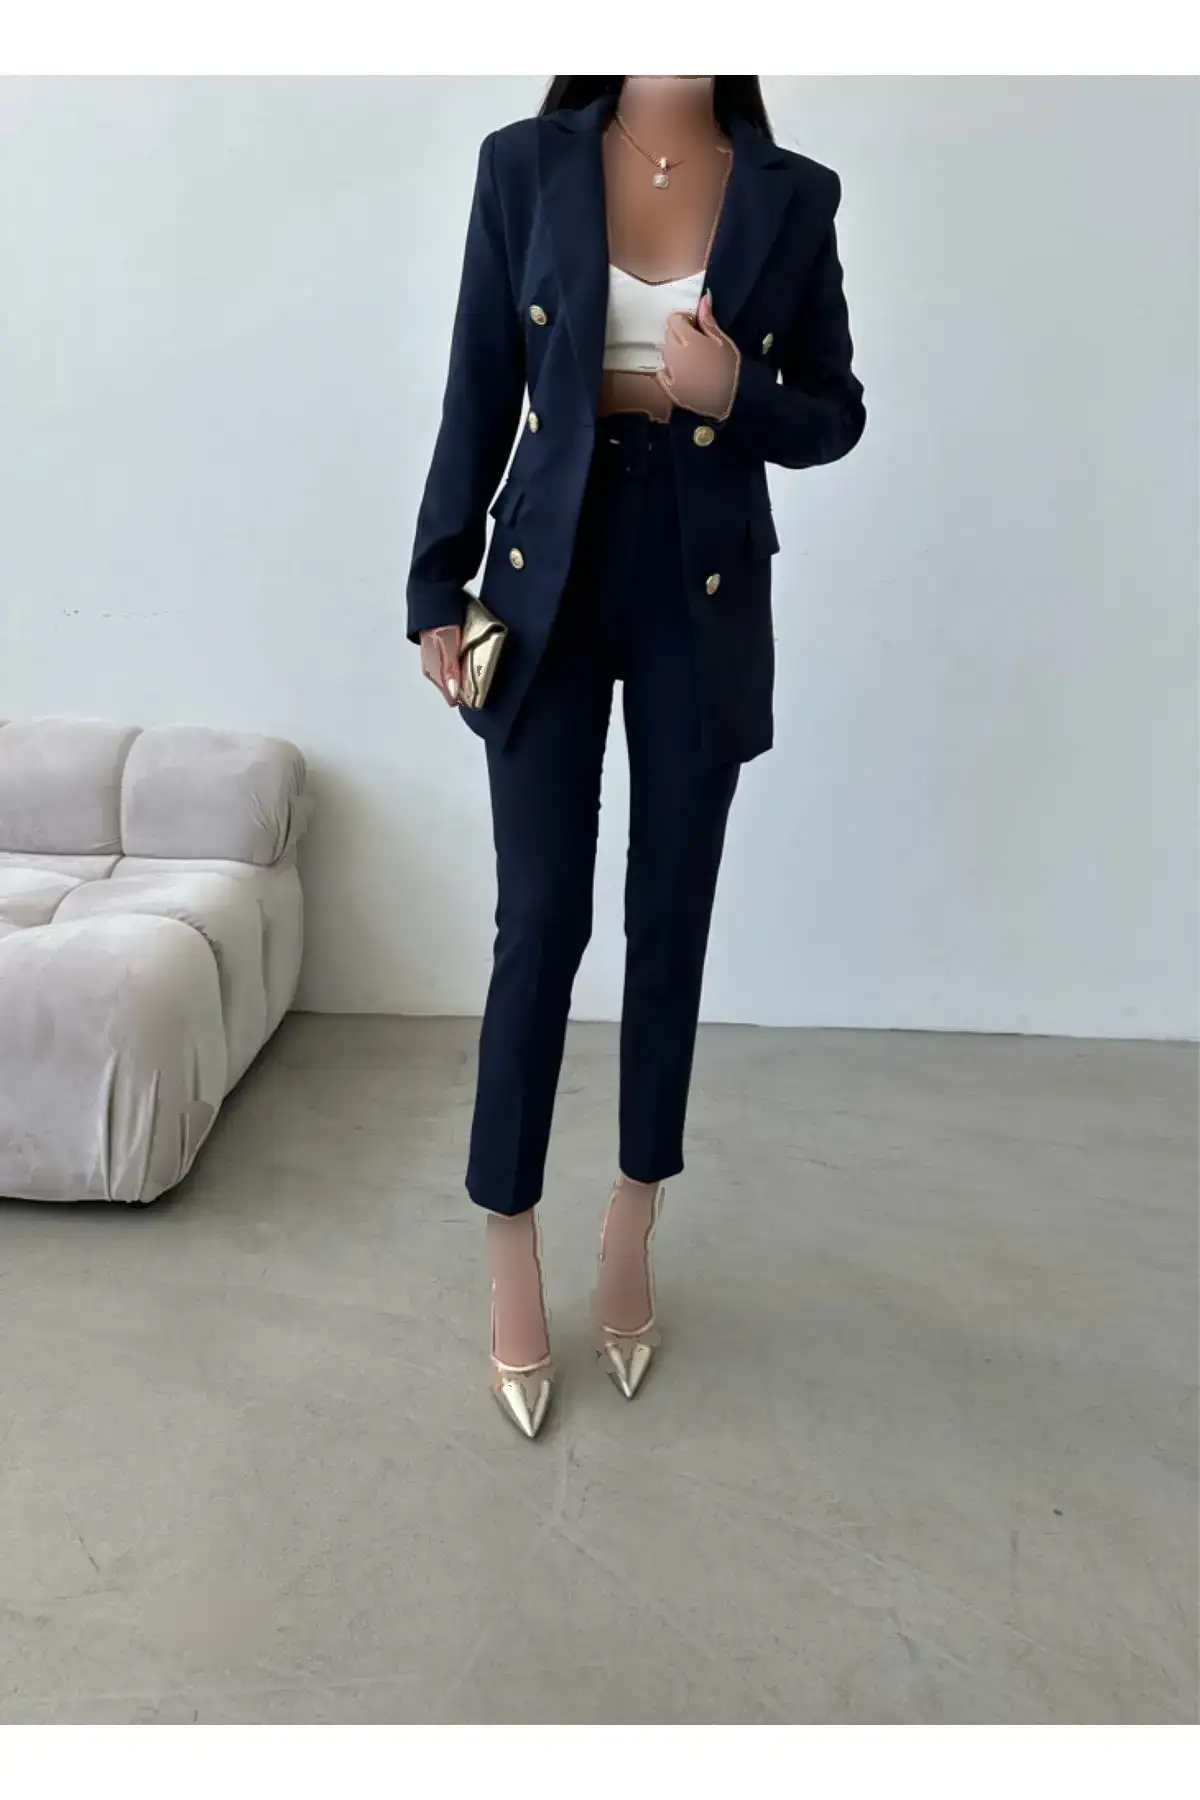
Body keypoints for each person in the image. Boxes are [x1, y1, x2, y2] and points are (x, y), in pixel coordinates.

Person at [407, 75, 866, 1438]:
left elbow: (833, 411)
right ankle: (509, 1241)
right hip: (541, 574)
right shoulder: (522, 163)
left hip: (698, 580)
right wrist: (437, 585)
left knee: (670, 918)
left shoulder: (794, 193)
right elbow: (478, 382)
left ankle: (631, 1223)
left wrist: (737, 394)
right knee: (540, 922)